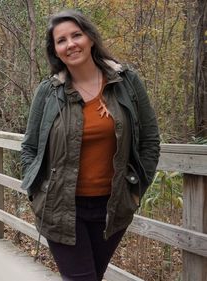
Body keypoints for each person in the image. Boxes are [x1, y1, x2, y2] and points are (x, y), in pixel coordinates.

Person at [20, 9, 160, 281]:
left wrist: (135, 189)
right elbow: (29, 148)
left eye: (76, 35)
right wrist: (38, 193)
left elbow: (150, 141)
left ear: (90, 38)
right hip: (60, 207)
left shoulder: (126, 82)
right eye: (62, 40)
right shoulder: (49, 93)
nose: (70, 44)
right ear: (56, 50)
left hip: (113, 206)